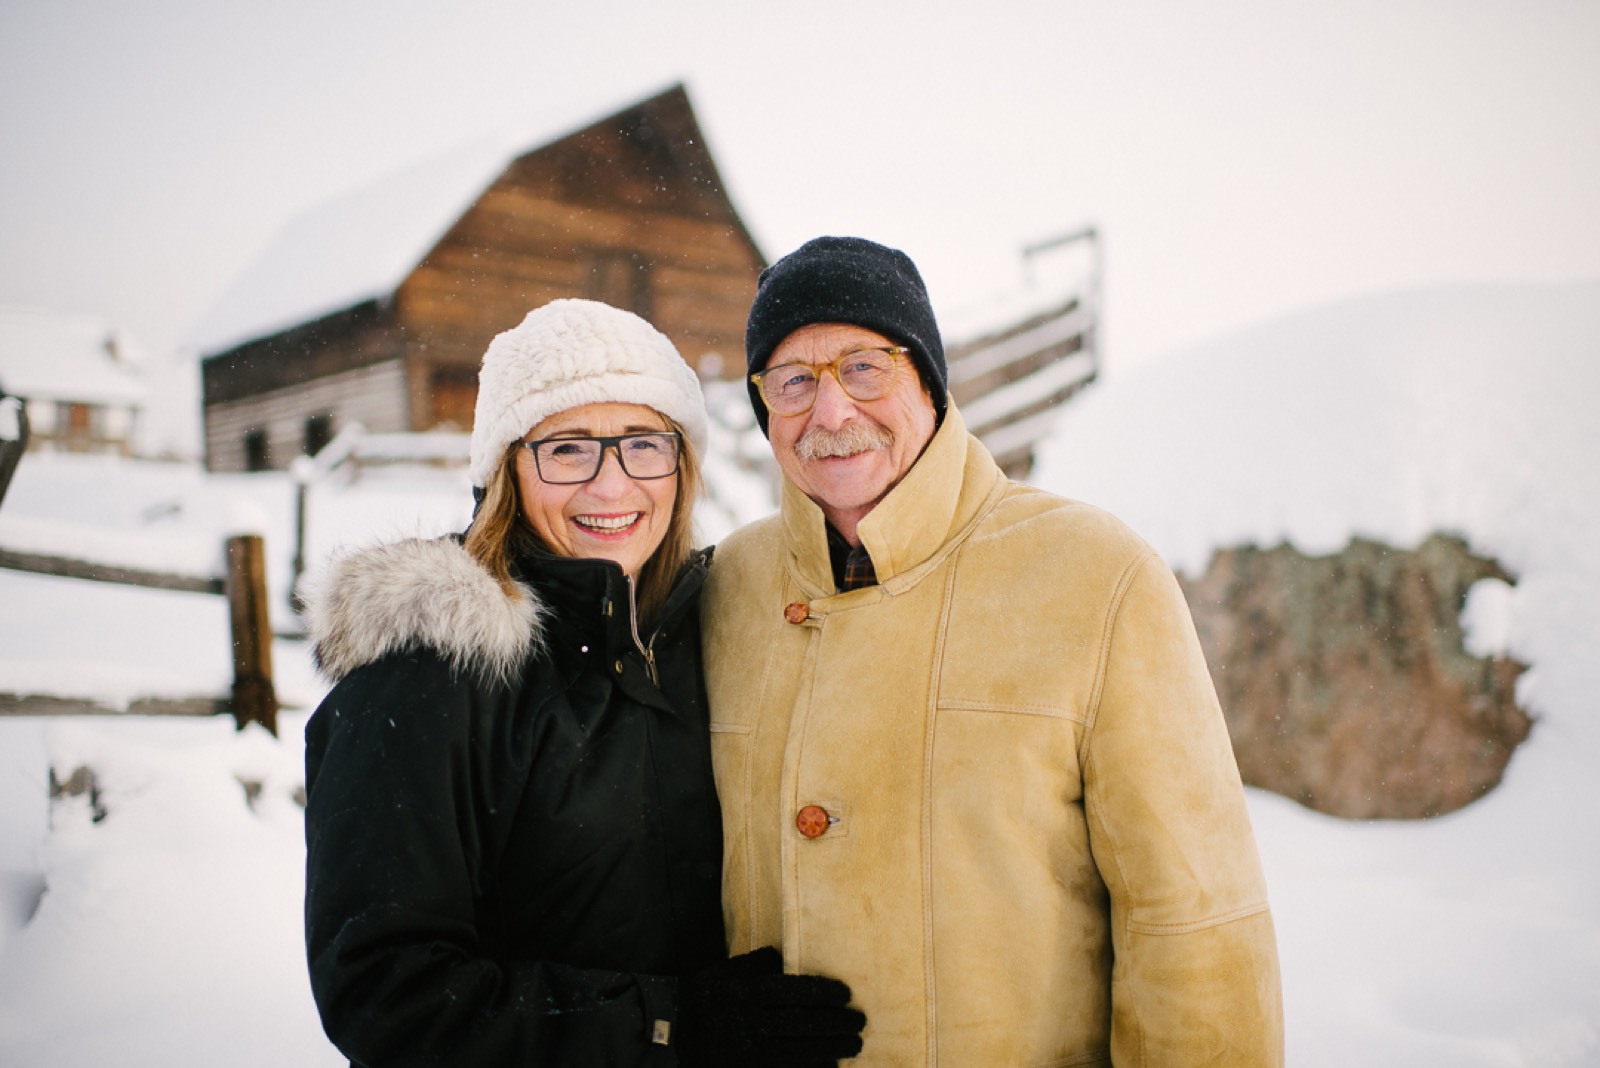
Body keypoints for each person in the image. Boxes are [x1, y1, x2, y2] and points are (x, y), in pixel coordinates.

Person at [702, 238, 1284, 1065]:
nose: (830, 414)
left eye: (865, 367)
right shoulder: (727, 587)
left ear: (930, 384)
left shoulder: (1095, 574)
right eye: (793, 381)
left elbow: (1191, 922)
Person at [301, 298, 866, 1067]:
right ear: (507, 469)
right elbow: (388, 995)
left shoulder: (707, 635)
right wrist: (669, 1028)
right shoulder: (425, 680)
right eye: (567, 449)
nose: (611, 486)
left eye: (643, 444)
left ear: (681, 464)